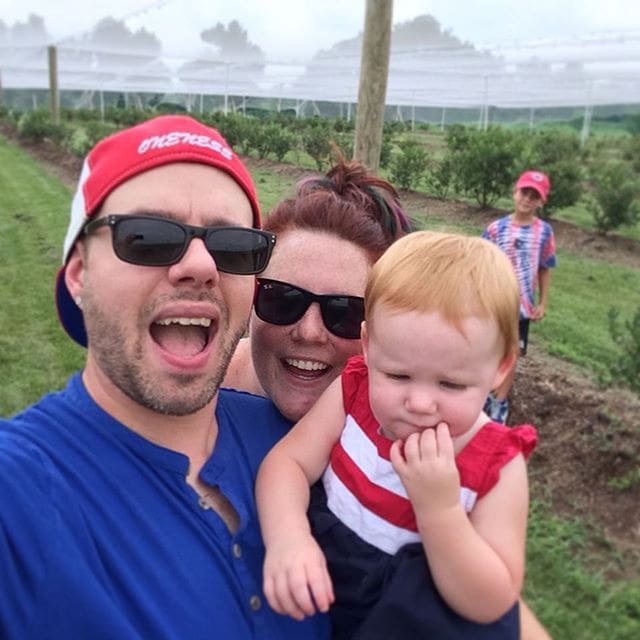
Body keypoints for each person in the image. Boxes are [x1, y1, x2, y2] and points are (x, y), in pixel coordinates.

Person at [0, 114, 328, 639]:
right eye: (148, 237)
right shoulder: (19, 492)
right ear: (80, 272)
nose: (200, 264)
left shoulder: (294, 443)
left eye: (232, 245)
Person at [255, 231, 538, 640]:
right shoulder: (355, 391)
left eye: (452, 385)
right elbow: (288, 464)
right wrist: (288, 538)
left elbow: (492, 602)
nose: (420, 403)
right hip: (317, 571)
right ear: (368, 347)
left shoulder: (495, 464)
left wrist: (439, 510)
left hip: (405, 614)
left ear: (500, 368)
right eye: (398, 375)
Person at [223, 156, 412, 422]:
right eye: (282, 300)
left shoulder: (402, 428)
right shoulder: (192, 394)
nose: (309, 332)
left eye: (344, 312)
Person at [482, 170, 557, 424]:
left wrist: (543, 302)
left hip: (522, 309)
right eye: (524, 192)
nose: (527, 199)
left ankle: (499, 402)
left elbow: (545, 267)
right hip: (494, 305)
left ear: (541, 201)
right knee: (487, 349)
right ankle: (481, 391)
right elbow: (481, 264)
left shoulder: (544, 232)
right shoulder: (495, 229)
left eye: (534, 195)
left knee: (512, 353)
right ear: (515, 192)